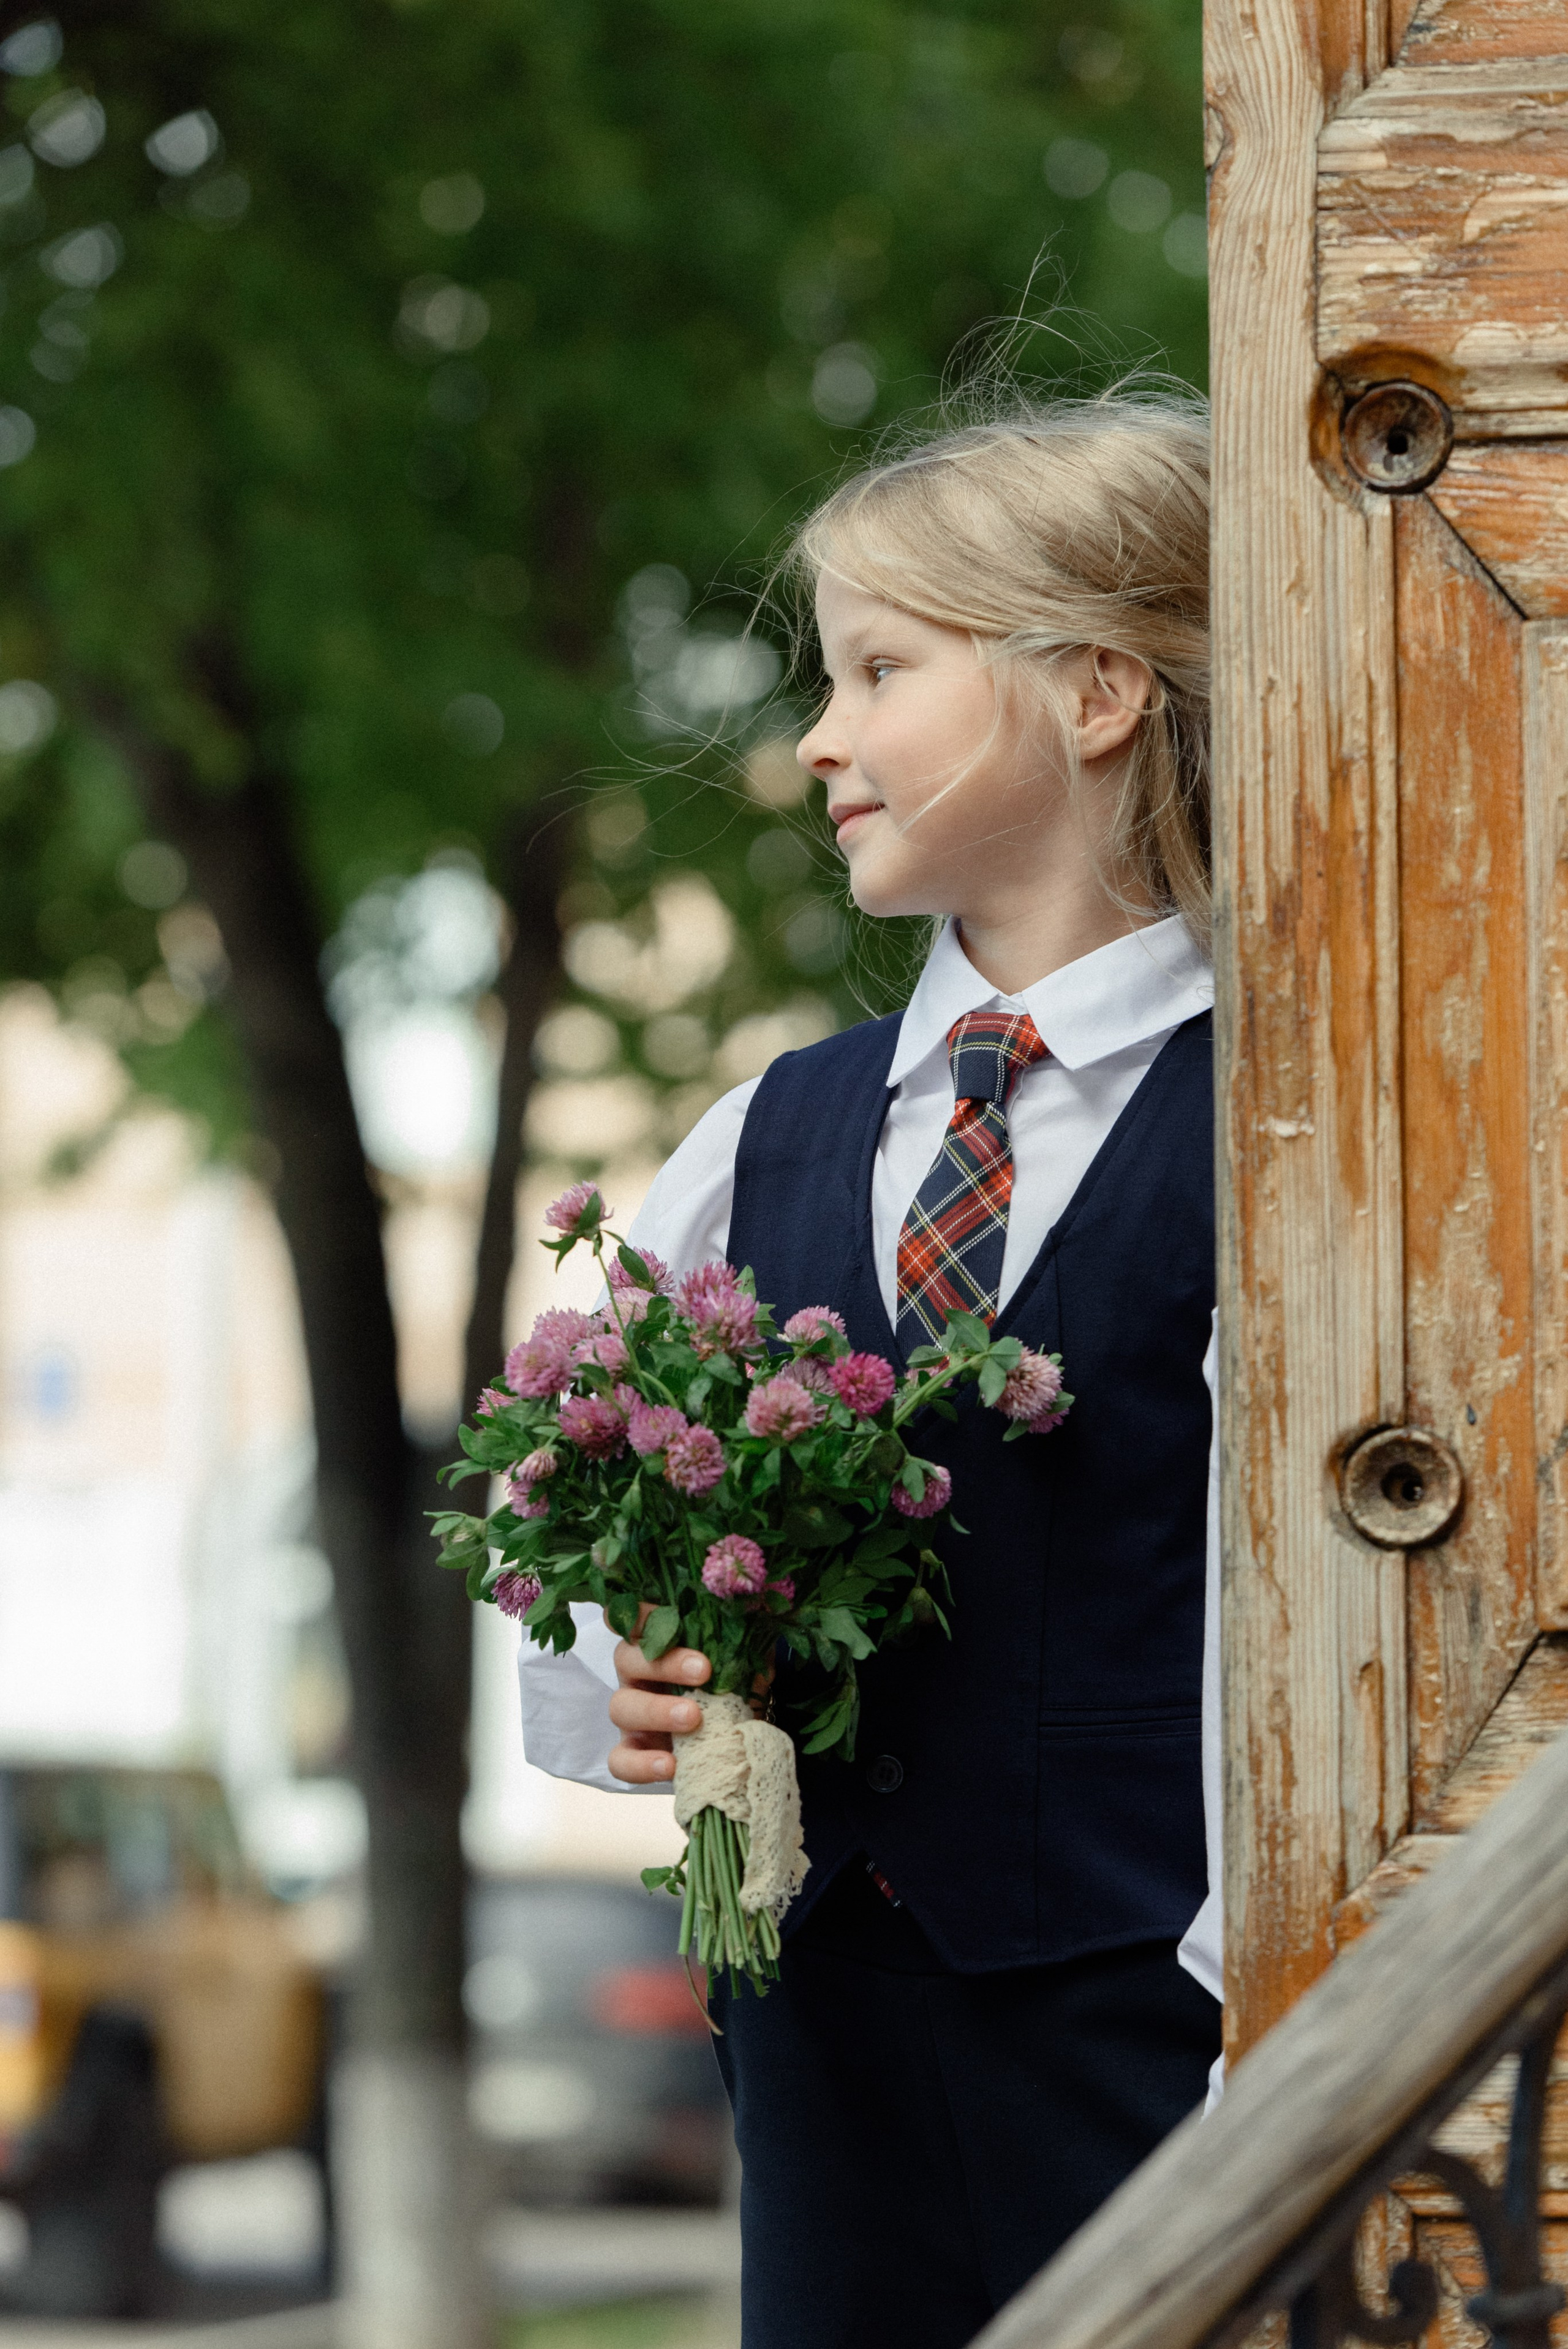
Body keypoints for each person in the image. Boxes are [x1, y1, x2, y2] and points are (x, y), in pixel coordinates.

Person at [519, 392, 1224, 2349]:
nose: (819, 738)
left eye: (881, 671)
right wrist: (636, 1649)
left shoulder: (1287, 1125)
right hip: (823, 2019)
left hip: (1171, 2022)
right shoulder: (772, 1137)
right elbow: (582, 1496)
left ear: (1094, 688)